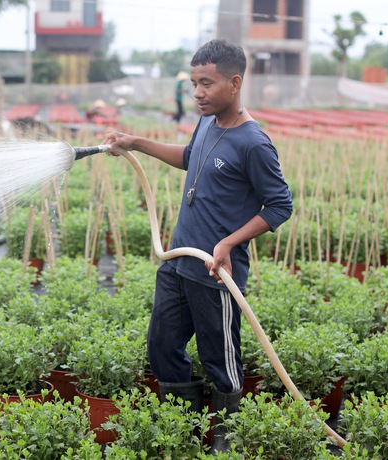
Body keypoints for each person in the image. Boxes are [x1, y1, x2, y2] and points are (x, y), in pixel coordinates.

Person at [102, 39, 293, 452]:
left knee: (219, 360)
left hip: (215, 273)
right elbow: (190, 156)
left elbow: (280, 205)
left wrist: (228, 242)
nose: (198, 93)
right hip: (178, 261)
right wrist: (136, 142)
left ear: (235, 83)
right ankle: (184, 430)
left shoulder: (254, 143)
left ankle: (225, 439)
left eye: (206, 83)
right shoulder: (207, 121)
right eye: (194, 83)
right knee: (162, 344)